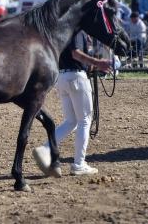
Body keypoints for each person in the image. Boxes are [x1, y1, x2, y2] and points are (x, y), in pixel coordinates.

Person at [32, 31, 113, 176]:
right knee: (84, 121)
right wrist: (97, 62)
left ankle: (46, 148)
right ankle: (79, 164)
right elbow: (76, 54)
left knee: (71, 121)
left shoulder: (62, 32)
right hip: (76, 77)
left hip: (62, 77)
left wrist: (90, 65)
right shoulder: (77, 31)